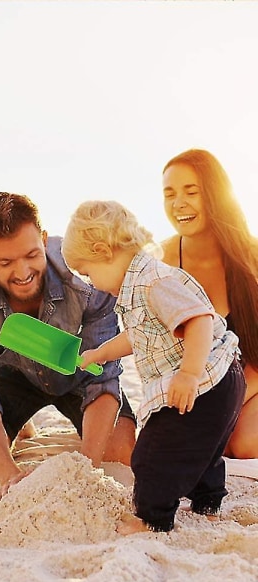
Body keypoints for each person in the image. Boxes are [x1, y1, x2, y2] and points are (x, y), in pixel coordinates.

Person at [62, 200, 244, 534]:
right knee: (203, 448)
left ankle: (152, 518)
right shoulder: (138, 288)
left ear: (103, 250)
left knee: (151, 454)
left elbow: (200, 320)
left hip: (204, 381)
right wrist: (101, 352)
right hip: (219, 380)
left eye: (88, 273)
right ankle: (207, 504)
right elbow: (139, 333)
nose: (93, 284)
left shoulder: (153, 281)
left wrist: (189, 374)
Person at [0, 191, 136, 499]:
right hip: (15, 373)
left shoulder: (85, 276)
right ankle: (21, 425)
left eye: (32, 255)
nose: (22, 273)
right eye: (5, 262)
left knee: (119, 450)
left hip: (79, 371)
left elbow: (103, 378)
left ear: (44, 240)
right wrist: (9, 475)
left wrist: (84, 469)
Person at [161, 148, 258, 459]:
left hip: (251, 384)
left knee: (242, 444)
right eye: (169, 193)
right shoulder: (160, 261)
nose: (179, 203)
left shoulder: (251, 256)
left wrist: (231, 401)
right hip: (195, 393)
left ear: (215, 195)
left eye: (192, 191)